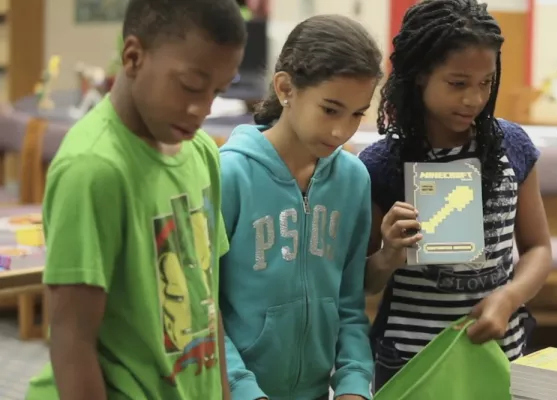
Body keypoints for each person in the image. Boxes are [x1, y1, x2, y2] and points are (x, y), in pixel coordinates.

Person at [26, 1, 246, 399]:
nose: (203, 109)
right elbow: (71, 342)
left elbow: (207, 303)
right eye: (192, 86)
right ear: (133, 56)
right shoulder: (93, 169)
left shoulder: (202, 152)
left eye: (218, 91)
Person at [359, 0, 553, 390]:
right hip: (413, 365)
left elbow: (538, 249)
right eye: (458, 83)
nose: (474, 99)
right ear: (419, 76)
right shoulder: (383, 165)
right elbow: (363, 280)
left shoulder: (512, 147)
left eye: (486, 82)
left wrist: (509, 297)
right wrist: (389, 255)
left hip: (500, 354)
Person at [218, 14, 383, 400]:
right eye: (330, 109)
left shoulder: (353, 179)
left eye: (357, 114)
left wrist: (355, 385)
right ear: (286, 88)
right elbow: (204, 308)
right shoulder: (230, 174)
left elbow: (349, 303)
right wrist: (243, 391)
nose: (342, 131)